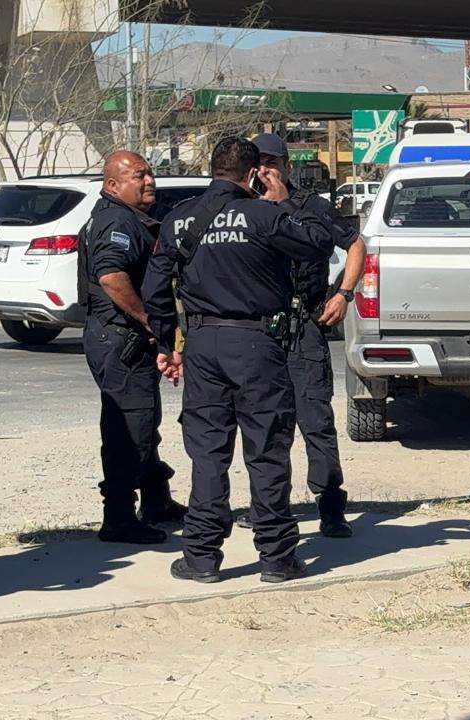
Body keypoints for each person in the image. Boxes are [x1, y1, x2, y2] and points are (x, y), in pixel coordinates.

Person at [142, 138, 333, 584]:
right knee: (266, 450)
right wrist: (285, 201)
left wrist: (167, 343)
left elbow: (155, 289)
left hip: (202, 343)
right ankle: (277, 557)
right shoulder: (264, 215)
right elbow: (320, 243)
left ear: (213, 170)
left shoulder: (180, 217)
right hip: (256, 342)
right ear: (252, 174)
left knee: (208, 452)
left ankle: (201, 556)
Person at [247, 133, 364, 539]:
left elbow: (356, 245)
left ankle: (331, 507)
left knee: (315, 420)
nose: (265, 171)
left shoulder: (311, 207)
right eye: (259, 164)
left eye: (272, 163)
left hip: (304, 325)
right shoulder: (243, 208)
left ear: (286, 166)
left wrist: (344, 294)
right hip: (260, 330)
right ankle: (268, 508)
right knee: (263, 426)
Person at [80, 150, 186, 545]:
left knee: (144, 421)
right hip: (118, 338)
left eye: (149, 173)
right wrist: (150, 320)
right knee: (129, 429)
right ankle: (119, 518)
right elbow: (111, 277)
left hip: (126, 340)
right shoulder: (116, 221)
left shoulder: (128, 217)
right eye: (138, 175)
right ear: (112, 185)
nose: (149, 181)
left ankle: (157, 501)